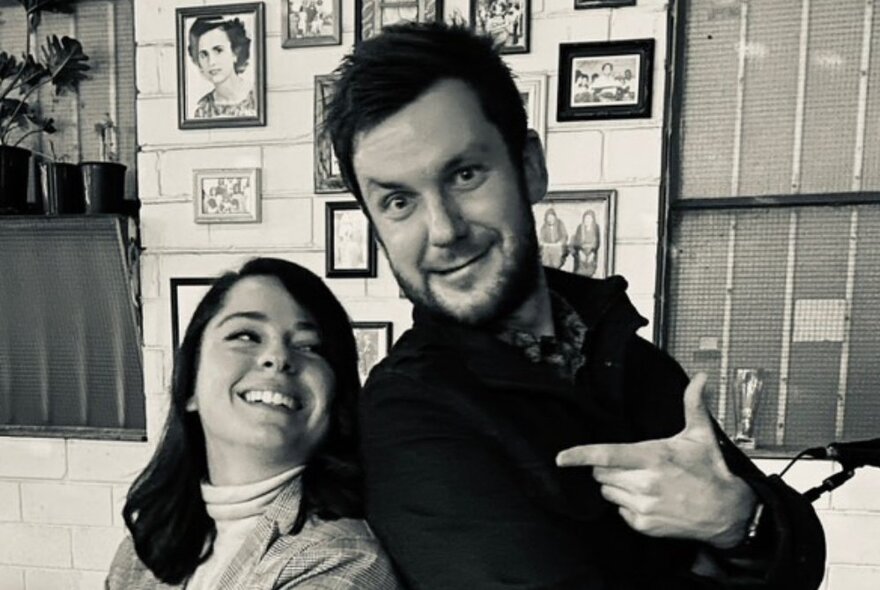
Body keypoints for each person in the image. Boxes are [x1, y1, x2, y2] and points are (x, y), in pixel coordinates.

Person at [325, 22, 825, 590]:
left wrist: (738, 520)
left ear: (530, 167)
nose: (442, 230)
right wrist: (709, 559)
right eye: (398, 201)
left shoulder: (630, 357)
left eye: (465, 174)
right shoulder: (410, 414)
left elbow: (802, 556)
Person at [106, 258, 402, 589]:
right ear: (190, 386)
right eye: (246, 335)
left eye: (310, 346)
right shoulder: (144, 546)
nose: (277, 358)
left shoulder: (344, 560)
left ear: (335, 400)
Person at [188, 16, 256, 119]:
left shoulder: (257, 97)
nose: (211, 62)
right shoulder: (202, 110)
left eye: (218, 50)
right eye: (204, 54)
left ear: (235, 52)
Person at [570, 209, 601, 277]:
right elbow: (576, 243)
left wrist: (592, 253)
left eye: (589, 219)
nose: (587, 221)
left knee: (590, 270)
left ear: (592, 220)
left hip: (591, 252)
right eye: (586, 219)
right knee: (580, 271)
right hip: (581, 252)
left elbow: (597, 243)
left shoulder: (596, 228)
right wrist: (580, 252)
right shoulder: (580, 227)